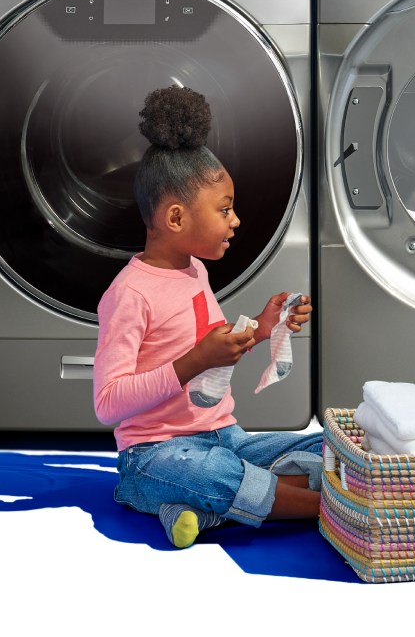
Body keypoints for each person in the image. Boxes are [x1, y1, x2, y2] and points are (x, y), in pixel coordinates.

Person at [95, 86, 320, 549]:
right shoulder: (129, 294)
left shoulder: (194, 270)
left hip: (225, 436)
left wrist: (262, 327)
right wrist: (194, 361)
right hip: (153, 455)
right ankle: (329, 506)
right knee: (209, 473)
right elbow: (108, 403)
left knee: (321, 445)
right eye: (224, 209)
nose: (234, 220)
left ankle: (204, 510)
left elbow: (211, 346)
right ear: (176, 218)